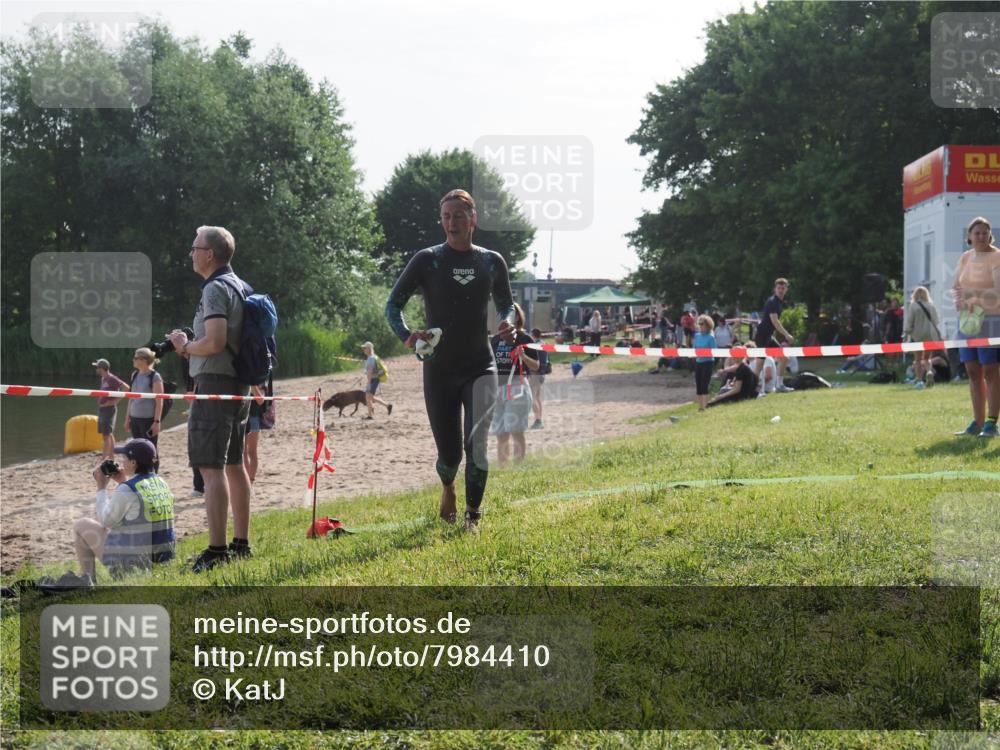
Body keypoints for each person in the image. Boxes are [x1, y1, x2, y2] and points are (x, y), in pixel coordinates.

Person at [385, 189, 516, 531]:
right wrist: (407, 335)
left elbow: (506, 304)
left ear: (473, 220)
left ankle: (473, 517)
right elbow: (392, 305)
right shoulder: (427, 260)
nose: (451, 222)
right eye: (445, 216)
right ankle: (448, 488)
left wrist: (508, 323)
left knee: (477, 445)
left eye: (459, 215)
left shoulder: (491, 261)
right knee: (449, 456)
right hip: (439, 370)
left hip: (480, 366)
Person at [167, 225, 253, 570]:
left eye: (194, 247)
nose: (191, 253)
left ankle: (217, 551)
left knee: (211, 468)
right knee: (234, 464)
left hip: (216, 382)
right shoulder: (241, 286)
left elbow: (215, 341)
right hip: (239, 383)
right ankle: (241, 544)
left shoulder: (215, 288)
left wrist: (185, 347)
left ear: (209, 254)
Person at [65, 438, 175, 587]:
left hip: (135, 567)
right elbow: (140, 515)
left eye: (124, 458)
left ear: (133, 463)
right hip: (162, 563)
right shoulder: (162, 483)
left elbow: (105, 520)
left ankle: (89, 581)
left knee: (81, 525)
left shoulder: (128, 489)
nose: (122, 462)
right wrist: (124, 481)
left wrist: (101, 487)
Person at [951, 216, 1000, 438]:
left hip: (990, 320)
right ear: (969, 236)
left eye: (984, 232)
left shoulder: (997, 257)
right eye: (976, 232)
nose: (981, 236)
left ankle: (992, 422)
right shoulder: (965, 257)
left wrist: (974, 295)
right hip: (967, 321)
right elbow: (956, 286)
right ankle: (977, 422)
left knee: (990, 370)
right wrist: (959, 301)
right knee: (972, 371)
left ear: (990, 235)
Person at [489, 304, 540, 466]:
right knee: (501, 433)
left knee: (516, 431)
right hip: (496, 389)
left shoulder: (525, 339)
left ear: (517, 317)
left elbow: (536, 366)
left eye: (510, 316)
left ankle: (517, 468)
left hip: (517, 387)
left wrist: (524, 356)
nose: (505, 320)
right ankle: (503, 468)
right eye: (502, 316)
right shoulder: (495, 340)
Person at [753, 278, 795, 392]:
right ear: (775, 289)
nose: (781, 290)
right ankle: (754, 389)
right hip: (762, 336)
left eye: (783, 288)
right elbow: (774, 321)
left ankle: (780, 385)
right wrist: (787, 335)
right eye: (779, 288)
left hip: (769, 336)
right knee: (760, 364)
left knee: (784, 358)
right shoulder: (772, 302)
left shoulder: (780, 302)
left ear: (786, 289)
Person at [125, 348, 164, 450]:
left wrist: (156, 422)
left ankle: (153, 467)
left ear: (144, 360)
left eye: (135, 358)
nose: (133, 360)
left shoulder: (155, 377)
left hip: (148, 420)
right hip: (134, 419)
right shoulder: (134, 375)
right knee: (137, 449)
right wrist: (127, 418)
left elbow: (159, 401)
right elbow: (131, 398)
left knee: (150, 449)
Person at [904, 286, 942, 387]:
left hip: (918, 335)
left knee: (917, 359)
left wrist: (906, 333)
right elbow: (936, 321)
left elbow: (909, 322)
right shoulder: (931, 306)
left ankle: (919, 380)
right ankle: (929, 371)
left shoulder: (913, 306)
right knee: (927, 358)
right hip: (930, 335)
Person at [93, 358, 128, 458]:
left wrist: (114, 401)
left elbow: (126, 388)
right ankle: (112, 456)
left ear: (101, 368)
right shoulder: (103, 378)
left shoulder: (112, 378)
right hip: (103, 409)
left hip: (109, 410)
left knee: (106, 435)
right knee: (109, 433)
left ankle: (104, 458)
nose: (96, 369)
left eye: (97, 367)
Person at [243, 378, 274, 484]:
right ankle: (247, 482)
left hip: (253, 416)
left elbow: (260, 400)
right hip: (242, 416)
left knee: (251, 451)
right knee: (244, 452)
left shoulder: (260, 377)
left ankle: (250, 481)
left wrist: (252, 386)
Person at [360, 341, 393, 419]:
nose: (363, 349)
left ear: (368, 349)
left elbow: (370, 372)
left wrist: (368, 383)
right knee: (369, 397)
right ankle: (386, 406)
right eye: (363, 348)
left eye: (364, 348)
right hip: (373, 379)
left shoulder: (371, 358)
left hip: (373, 380)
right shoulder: (372, 357)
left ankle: (370, 415)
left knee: (368, 396)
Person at [693, 314, 716, 411]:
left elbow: (714, 351)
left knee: (704, 384)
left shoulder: (711, 338)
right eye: (699, 324)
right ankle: (700, 407)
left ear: (708, 325)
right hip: (698, 362)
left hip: (708, 362)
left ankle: (705, 407)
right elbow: (694, 348)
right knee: (698, 383)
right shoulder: (697, 336)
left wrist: (704, 354)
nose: (700, 326)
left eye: (702, 324)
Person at [528, 328, 548, 429]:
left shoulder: (535, 345)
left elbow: (534, 361)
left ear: (533, 335)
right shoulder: (543, 343)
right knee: (537, 397)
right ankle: (539, 419)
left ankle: (538, 420)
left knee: (532, 398)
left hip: (536, 373)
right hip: (541, 374)